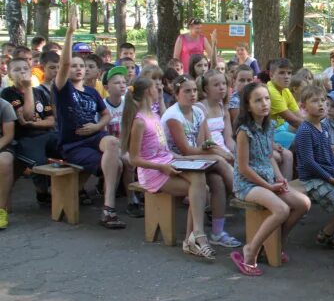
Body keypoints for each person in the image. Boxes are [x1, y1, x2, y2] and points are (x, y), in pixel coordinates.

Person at [120, 77, 215, 259]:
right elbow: (134, 159)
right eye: (157, 87)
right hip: (152, 172)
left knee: (199, 177)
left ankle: (193, 237)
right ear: (149, 91)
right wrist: (162, 166)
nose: (160, 89)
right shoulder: (139, 121)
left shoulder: (154, 116)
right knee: (200, 187)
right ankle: (195, 238)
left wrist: (181, 159)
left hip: (167, 162)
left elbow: (163, 150)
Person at [230, 82, 311, 275]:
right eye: (258, 100)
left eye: (266, 99)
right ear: (248, 106)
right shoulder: (244, 131)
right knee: (281, 209)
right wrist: (268, 186)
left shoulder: (268, 125)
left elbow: (268, 156)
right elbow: (243, 168)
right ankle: (251, 250)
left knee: (303, 204)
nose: (264, 103)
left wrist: (280, 178)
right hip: (247, 183)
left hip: (267, 179)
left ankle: (275, 243)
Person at [53, 20, 126, 229]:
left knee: (112, 142)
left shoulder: (92, 92)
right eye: (74, 66)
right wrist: (69, 33)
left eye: (81, 66)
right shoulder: (63, 89)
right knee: (118, 164)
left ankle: (108, 208)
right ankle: (102, 202)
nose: (77, 69)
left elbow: (105, 116)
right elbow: (64, 64)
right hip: (73, 144)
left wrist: (96, 127)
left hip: (94, 137)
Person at [161, 75, 239, 248]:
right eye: (187, 91)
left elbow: (206, 143)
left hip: (194, 160)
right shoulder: (173, 116)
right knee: (219, 161)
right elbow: (186, 150)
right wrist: (218, 155)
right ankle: (242, 191)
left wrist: (219, 150)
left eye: (194, 90)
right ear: (176, 94)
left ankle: (217, 233)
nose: (192, 94)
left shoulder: (198, 111)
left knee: (217, 181)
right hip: (175, 160)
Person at [294, 85, 334, 250]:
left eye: (323, 101)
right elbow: (308, 163)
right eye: (314, 101)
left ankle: (325, 234)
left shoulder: (324, 127)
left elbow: (330, 155)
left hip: (327, 175)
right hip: (313, 180)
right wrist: (330, 179)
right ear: (303, 107)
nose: (321, 105)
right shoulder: (305, 131)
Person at [2, 58, 57, 204]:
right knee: (39, 163)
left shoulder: (39, 92)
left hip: (46, 134)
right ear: (9, 74)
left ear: (30, 71)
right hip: (24, 139)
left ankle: (73, 190)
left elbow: (51, 120)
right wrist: (27, 89)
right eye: (17, 70)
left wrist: (35, 123)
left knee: (69, 149)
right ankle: (42, 192)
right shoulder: (8, 93)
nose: (22, 72)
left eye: (25, 69)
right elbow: (26, 116)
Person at [102, 66, 142, 217]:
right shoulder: (103, 105)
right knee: (118, 165)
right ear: (106, 88)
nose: (122, 85)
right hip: (109, 146)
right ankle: (108, 200)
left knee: (129, 161)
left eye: (124, 82)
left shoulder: (128, 103)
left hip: (125, 145)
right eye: (117, 83)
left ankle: (131, 199)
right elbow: (102, 132)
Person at [267, 58, 303, 148]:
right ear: (271, 75)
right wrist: (316, 131)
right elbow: (294, 121)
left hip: (282, 126)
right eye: (281, 73)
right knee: (303, 140)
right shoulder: (271, 91)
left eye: (289, 73)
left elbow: (299, 116)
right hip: (271, 132)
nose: (286, 76)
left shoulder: (285, 90)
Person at [0, 97, 16, 230]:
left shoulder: (4, 106)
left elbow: (8, 136)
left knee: (4, 161)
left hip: (2, 145)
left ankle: (1, 210)